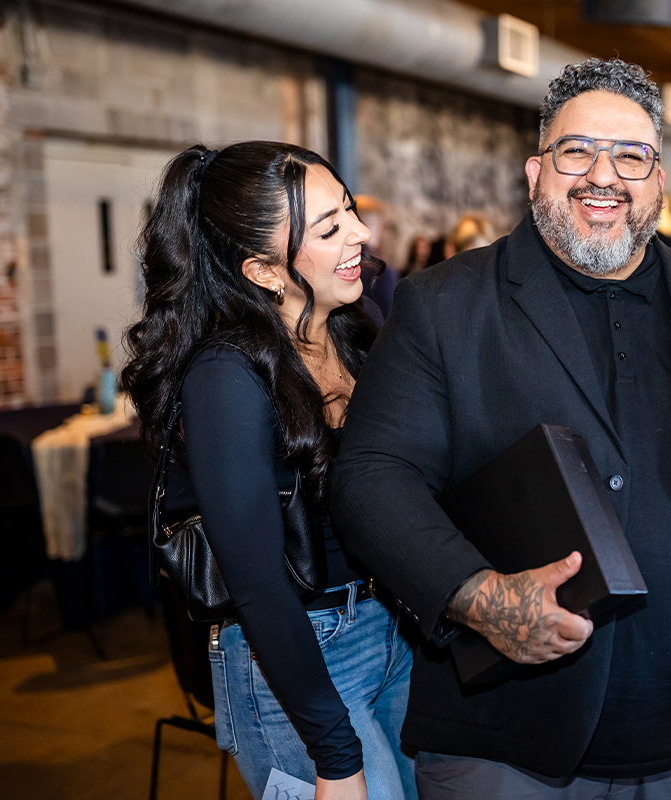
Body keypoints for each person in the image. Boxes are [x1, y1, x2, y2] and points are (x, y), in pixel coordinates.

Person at [331, 58, 671, 799]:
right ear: (536, 170)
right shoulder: (444, 305)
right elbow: (370, 475)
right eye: (578, 151)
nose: (602, 175)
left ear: (659, 180)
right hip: (508, 736)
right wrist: (476, 594)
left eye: (631, 156)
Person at [120, 142, 415, 800]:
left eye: (349, 210)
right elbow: (257, 588)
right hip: (297, 662)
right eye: (331, 227)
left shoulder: (351, 330)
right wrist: (335, 759)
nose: (361, 235)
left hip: (389, 630)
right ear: (262, 270)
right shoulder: (226, 376)